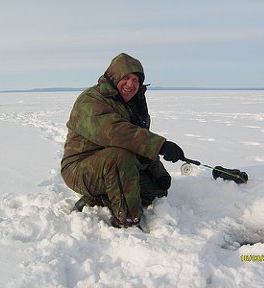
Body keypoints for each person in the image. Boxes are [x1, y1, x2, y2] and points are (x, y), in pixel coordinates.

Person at [61, 53, 186, 228]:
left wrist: (158, 172)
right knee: (119, 155)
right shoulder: (90, 100)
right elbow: (116, 133)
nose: (131, 84)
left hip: (113, 166)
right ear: (113, 77)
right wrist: (160, 145)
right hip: (79, 169)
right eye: (125, 78)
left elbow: (138, 139)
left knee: (156, 191)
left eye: (136, 80)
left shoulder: (132, 105)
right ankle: (128, 222)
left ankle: (97, 198)